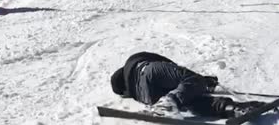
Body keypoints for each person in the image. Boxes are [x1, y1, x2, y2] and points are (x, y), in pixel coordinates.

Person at [110, 52, 266, 119]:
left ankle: (232, 109)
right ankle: (169, 102)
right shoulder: (134, 61)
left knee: (188, 101)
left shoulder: (135, 92)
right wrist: (201, 80)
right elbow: (170, 66)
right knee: (191, 80)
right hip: (149, 71)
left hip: (148, 97)